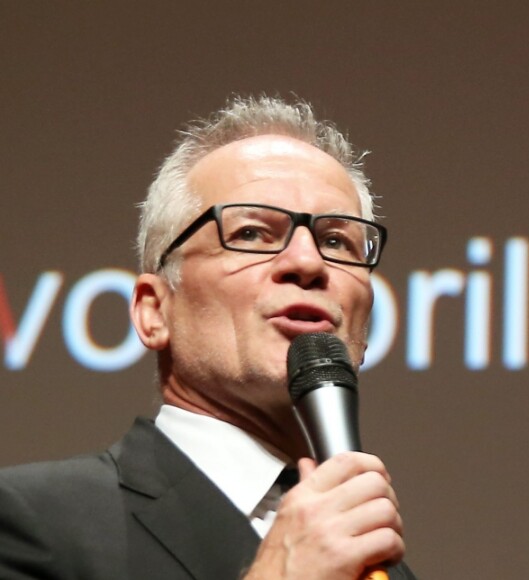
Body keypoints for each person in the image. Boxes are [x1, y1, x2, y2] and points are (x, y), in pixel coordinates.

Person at [0, 96, 417, 579]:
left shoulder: (379, 561)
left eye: (335, 241)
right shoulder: (30, 521)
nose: (308, 263)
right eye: (252, 233)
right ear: (154, 311)